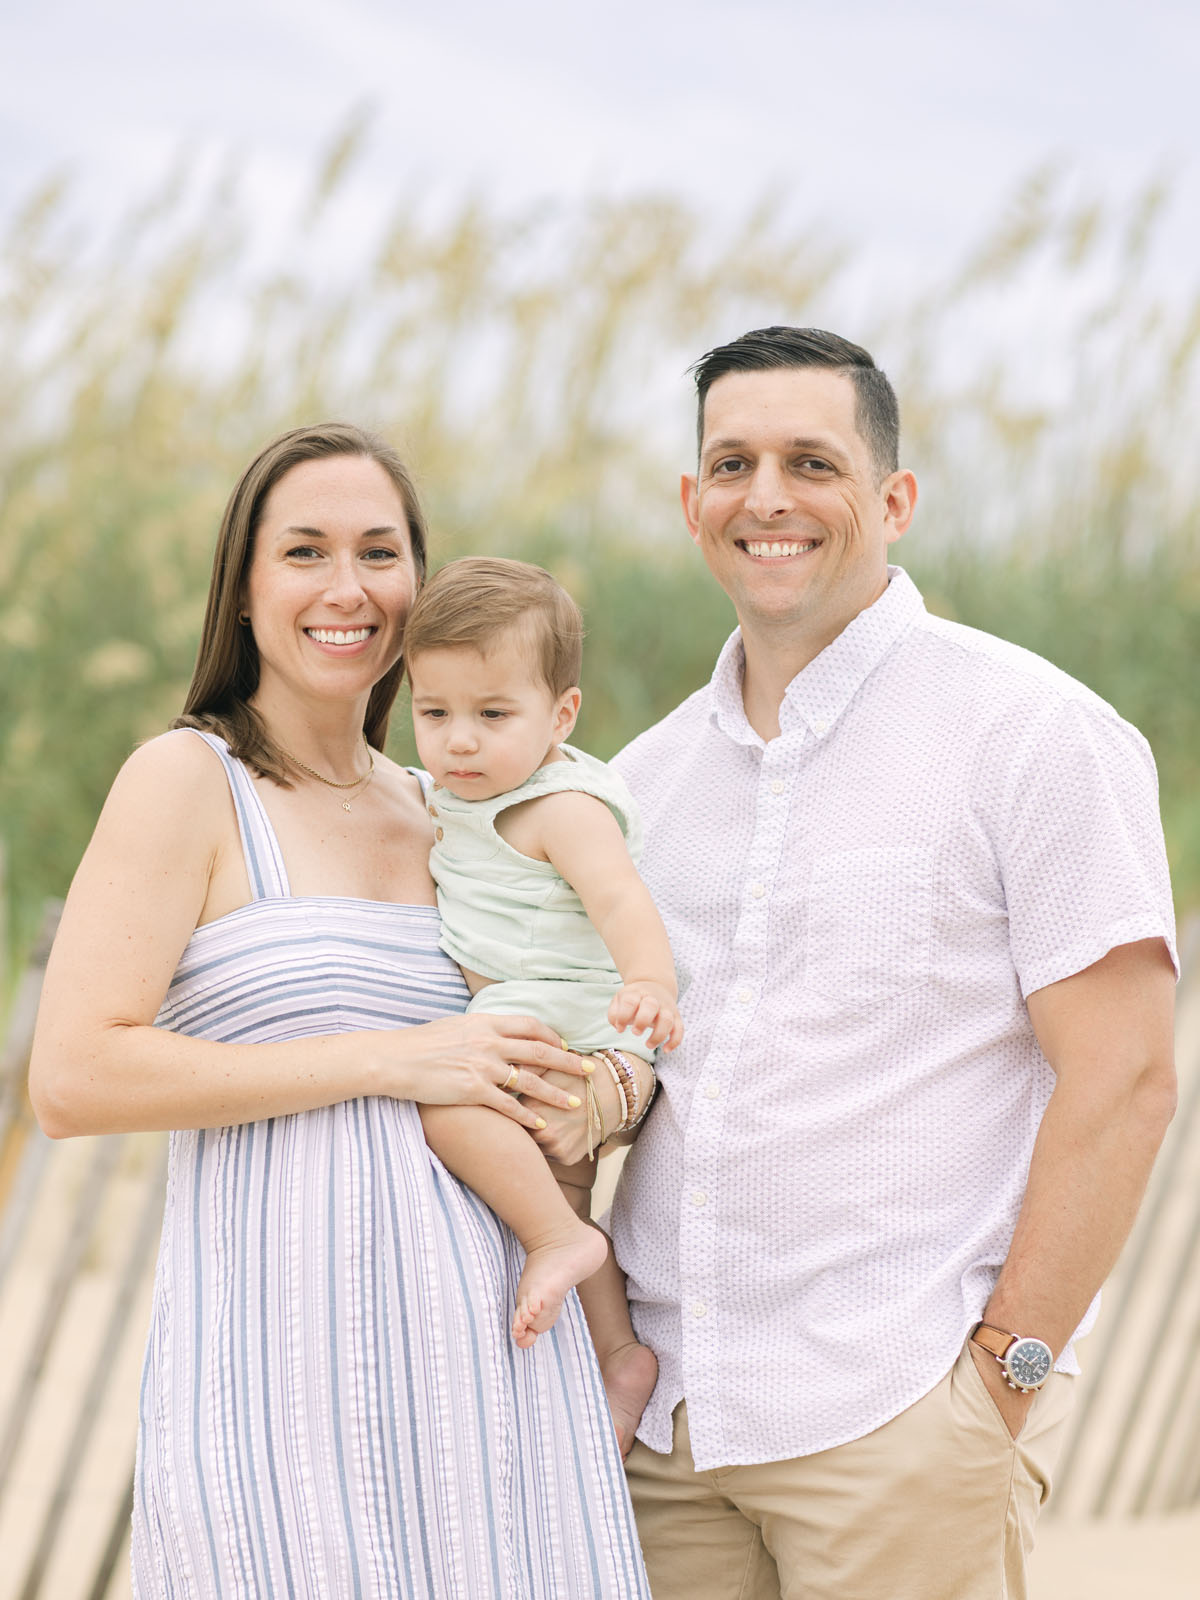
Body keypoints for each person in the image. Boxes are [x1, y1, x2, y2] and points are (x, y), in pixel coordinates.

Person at [28, 424, 651, 1599]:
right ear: (248, 589)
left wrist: (609, 1089)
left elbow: (565, 1019)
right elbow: (72, 1080)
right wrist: (391, 1057)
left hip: (497, 1371)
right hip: (281, 1381)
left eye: (379, 551)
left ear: (419, 586)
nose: (346, 587)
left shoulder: (459, 807)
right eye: (305, 551)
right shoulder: (189, 781)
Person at [602, 327, 1178, 1600]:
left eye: (812, 461)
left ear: (895, 499)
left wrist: (1000, 1382)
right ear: (692, 502)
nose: (768, 497)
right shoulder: (640, 785)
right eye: (732, 463)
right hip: (671, 1425)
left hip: (899, 1416)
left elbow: (1128, 1076)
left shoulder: (1035, 737)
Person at [404, 555, 675, 1451]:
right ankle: (621, 1352)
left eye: (492, 715)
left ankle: (560, 1246)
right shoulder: (449, 797)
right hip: (539, 1019)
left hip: (573, 1021)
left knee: (446, 1101)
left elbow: (621, 900)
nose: (459, 742)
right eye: (434, 714)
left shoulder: (559, 806)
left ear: (561, 717)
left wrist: (651, 985)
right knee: (561, 1198)